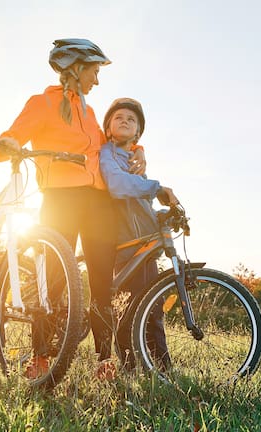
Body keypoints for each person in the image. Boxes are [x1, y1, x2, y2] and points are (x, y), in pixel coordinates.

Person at [0, 39, 143, 380]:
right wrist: (7, 144)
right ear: (75, 68)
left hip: (98, 205)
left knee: (102, 285)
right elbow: (12, 138)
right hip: (60, 199)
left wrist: (140, 148)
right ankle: (40, 357)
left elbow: (111, 143)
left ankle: (104, 362)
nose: (97, 81)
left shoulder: (89, 114)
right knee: (52, 285)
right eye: (94, 71)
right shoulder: (42, 103)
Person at [99, 97, 178, 371]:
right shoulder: (106, 154)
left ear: (138, 133)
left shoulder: (136, 161)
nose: (125, 121)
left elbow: (141, 205)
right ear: (108, 126)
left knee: (153, 308)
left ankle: (162, 367)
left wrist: (162, 216)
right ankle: (130, 368)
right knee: (129, 308)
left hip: (146, 246)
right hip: (125, 243)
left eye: (132, 120)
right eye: (119, 117)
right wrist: (156, 188)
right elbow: (118, 185)